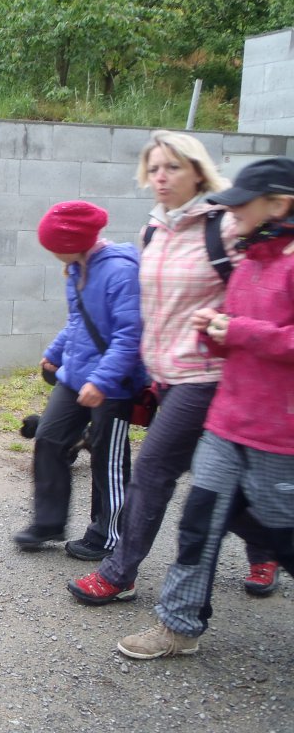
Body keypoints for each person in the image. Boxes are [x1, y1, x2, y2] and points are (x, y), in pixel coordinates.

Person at [68, 131, 279, 606]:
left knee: (153, 469)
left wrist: (232, 327)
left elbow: (265, 285)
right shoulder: (154, 230)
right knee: (215, 478)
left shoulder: (226, 225)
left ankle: (119, 573)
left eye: (173, 167)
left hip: (207, 375)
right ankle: (268, 549)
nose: (161, 177)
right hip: (164, 375)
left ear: (198, 172)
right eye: (155, 168)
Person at [117, 157, 294, 659]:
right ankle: (178, 626)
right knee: (198, 522)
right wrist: (214, 331)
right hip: (226, 422)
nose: (231, 215)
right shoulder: (249, 260)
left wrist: (238, 331)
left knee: (283, 533)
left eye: (241, 206)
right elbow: (237, 337)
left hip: (278, 436)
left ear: (279, 205)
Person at [12, 201, 142, 559]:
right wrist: (54, 353)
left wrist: (101, 381)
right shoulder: (75, 268)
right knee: (49, 438)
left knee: (107, 460)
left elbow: (129, 336)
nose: (50, 252)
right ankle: (48, 522)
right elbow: (77, 322)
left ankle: (108, 535)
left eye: (53, 245)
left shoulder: (120, 272)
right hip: (76, 373)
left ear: (74, 243)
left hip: (115, 384)